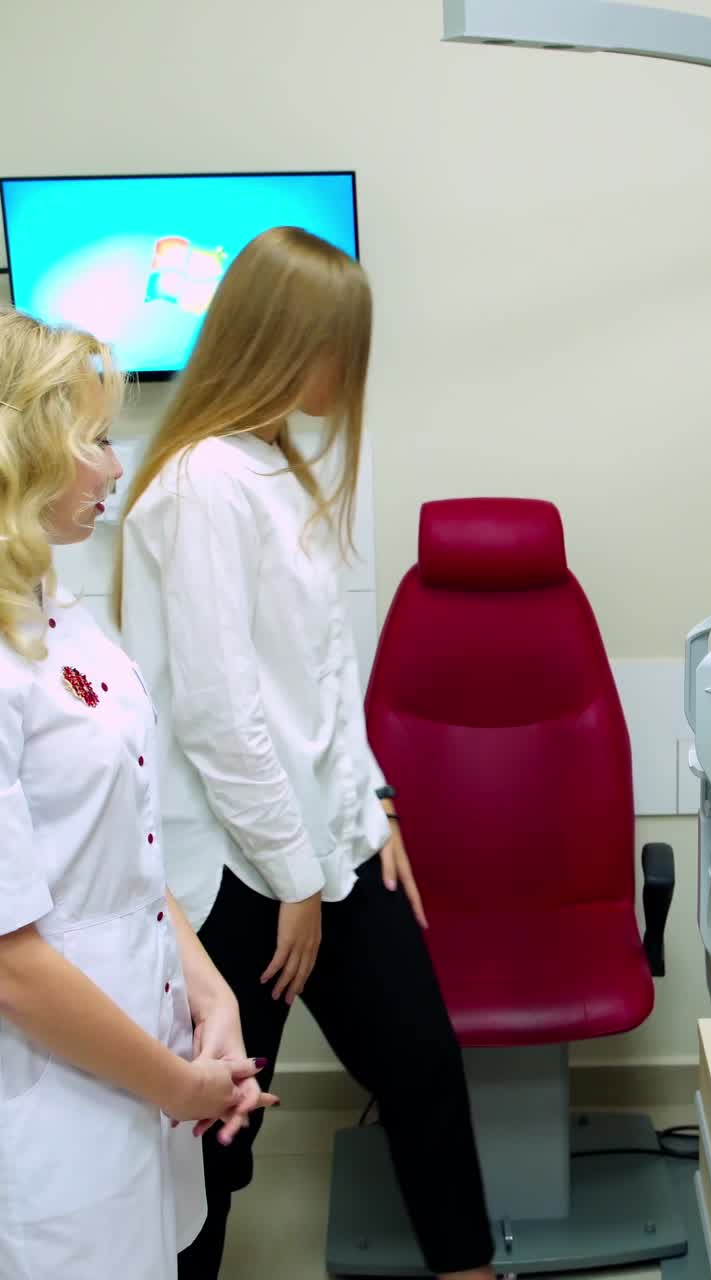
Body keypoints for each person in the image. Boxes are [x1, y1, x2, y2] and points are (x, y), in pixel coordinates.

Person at [114, 226, 496, 1280]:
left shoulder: (279, 465)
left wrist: (375, 806)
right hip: (241, 872)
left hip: (327, 847)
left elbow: (323, 675)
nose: (350, 370)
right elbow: (218, 712)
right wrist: (294, 878)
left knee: (422, 1065)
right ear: (283, 342)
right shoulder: (202, 483)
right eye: (339, 346)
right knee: (222, 1130)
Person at [0, 309, 275, 1279]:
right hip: (53, 1104)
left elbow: (125, 851)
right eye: (97, 439)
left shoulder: (62, 612)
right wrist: (178, 1085)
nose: (116, 468)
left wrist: (211, 992)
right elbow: (11, 965)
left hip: (141, 1064)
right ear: (24, 446)